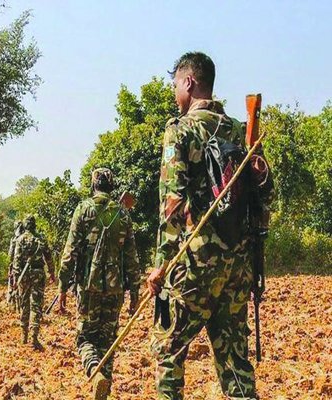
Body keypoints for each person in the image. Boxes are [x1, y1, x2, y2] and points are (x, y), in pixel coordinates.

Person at [147, 52, 262, 400]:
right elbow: (259, 198)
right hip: (237, 265)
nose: (174, 94)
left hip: (196, 263)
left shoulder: (180, 130)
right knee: (234, 362)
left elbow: (171, 204)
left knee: (169, 349)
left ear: (188, 82)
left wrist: (161, 265)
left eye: (175, 86)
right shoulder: (240, 132)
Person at [58, 168, 140, 400]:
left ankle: (94, 370)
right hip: (115, 289)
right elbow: (132, 258)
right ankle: (104, 387)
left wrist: (62, 287)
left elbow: (70, 253)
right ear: (111, 186)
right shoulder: (123, 214)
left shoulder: (83, 210)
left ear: (93, 185)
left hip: (88, 288)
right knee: (108, 340)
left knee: (85, 338)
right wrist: (135, 291)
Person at [12, 215, 55, 350]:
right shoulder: (41, 239)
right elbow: (48, 257)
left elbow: (16, 261)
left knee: (24, 303)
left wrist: (16, 279)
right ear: (35, 225)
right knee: (36, 305)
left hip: (24, 275)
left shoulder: (20, 239)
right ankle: (34, 337)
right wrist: (52, 273)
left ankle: (24, 335)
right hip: (38, 274)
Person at [7, 220, 24, 310]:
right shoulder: (26, 238)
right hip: (24, 267)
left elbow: (10, 256)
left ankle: (14, 306)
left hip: (15, 266)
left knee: (13, 286)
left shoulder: (14, 239)